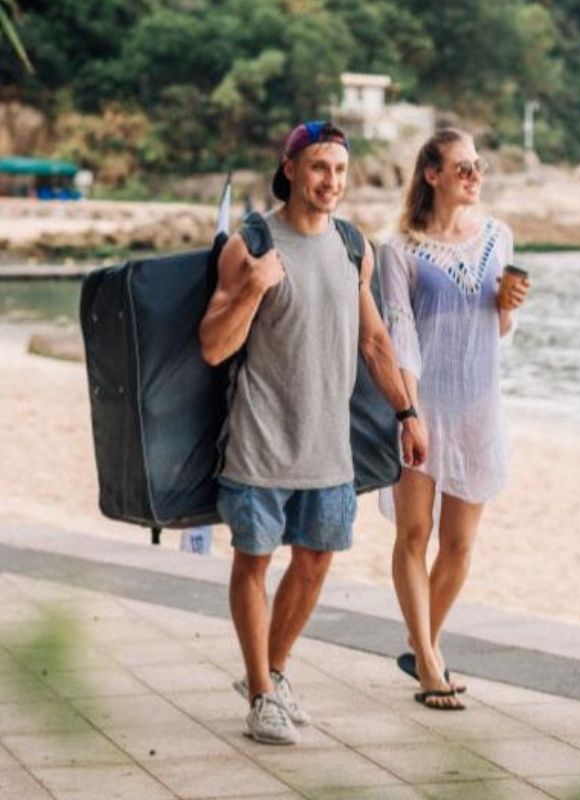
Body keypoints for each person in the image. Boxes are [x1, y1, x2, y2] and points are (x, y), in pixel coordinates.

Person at [199, 120, 427, 745]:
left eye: (341, 172)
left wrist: (406, 412)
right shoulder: (249, 244)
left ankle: (269, 674)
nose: (332, 182)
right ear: (292, 167)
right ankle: (263, 697)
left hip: (329, 447)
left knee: (316, 561)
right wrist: (251, 287)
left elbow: (375, 341)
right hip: (260, 441)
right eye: (321, 168)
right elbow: (215, 347)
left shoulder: (354, 246)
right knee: (254, 561)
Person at [379, 128, 530, 710]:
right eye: (462, 166)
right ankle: (429, 667)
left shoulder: (499, 237)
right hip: (421, 408)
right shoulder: (401, 249)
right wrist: (408, 413)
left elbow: (498, 332)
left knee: (460, 544)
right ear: (432, 174)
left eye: (478, 165)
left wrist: (507, 308)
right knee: (413, 536)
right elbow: (401, 338)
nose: (474, 175)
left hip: (477, 406)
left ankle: (423, 645)